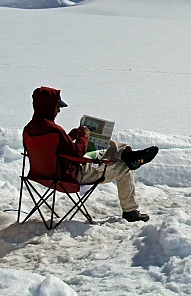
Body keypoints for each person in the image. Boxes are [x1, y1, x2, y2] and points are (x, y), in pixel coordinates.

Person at [24, 86, 158, 222]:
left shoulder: (29, 130)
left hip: (42, 175)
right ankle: (131, 211)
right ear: (48, 106)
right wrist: (83, 137)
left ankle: (128, 154)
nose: (58, 110)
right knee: (125, 168)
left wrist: (71, 135)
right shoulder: (55, 131)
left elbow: (54, 150)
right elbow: (77, 152)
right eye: (57, 106)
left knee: (105, 145)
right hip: (70, 176)